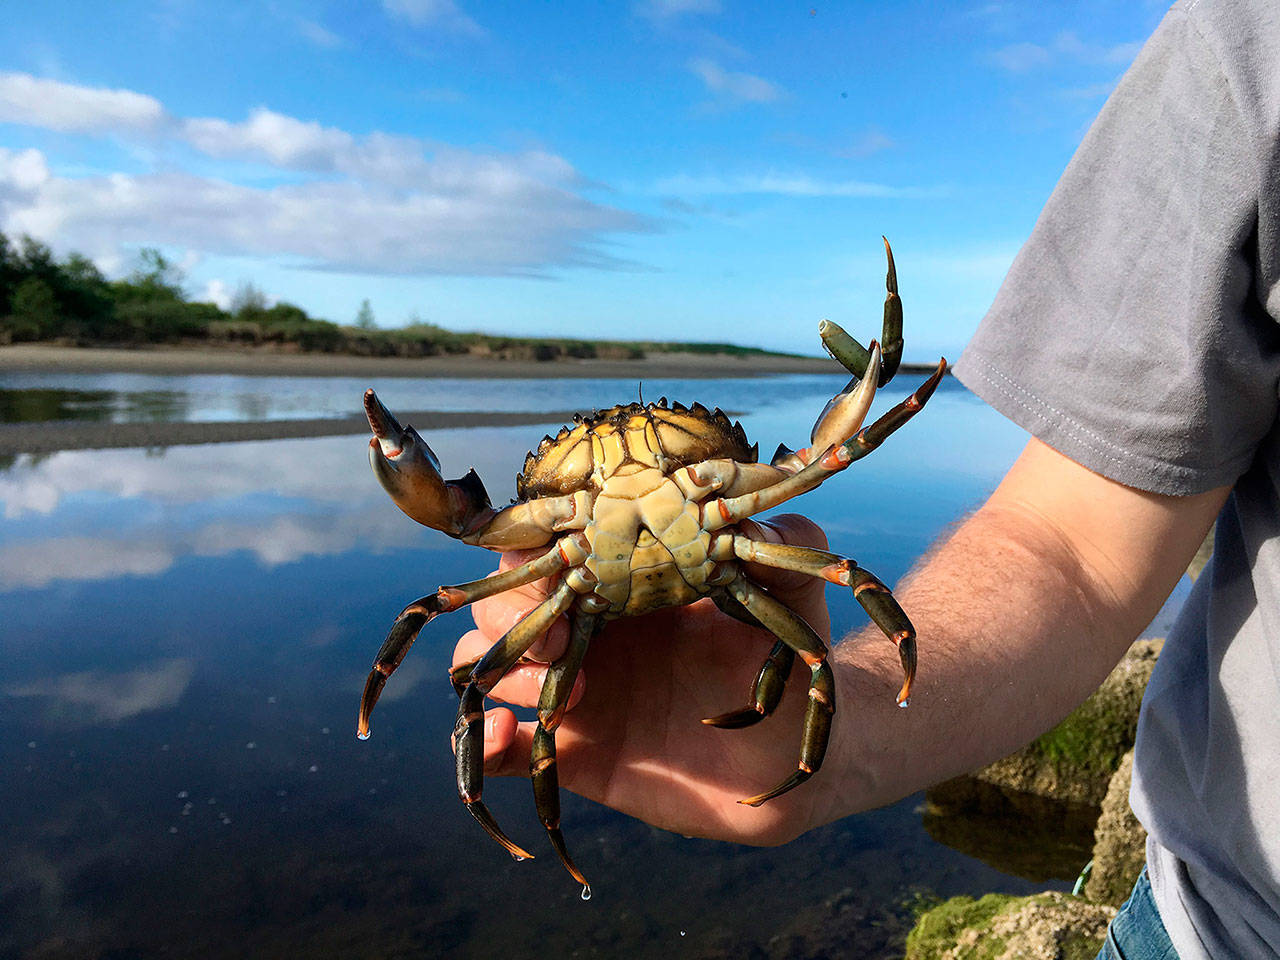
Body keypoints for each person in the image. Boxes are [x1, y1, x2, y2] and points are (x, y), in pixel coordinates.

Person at [453, 1, 1280, 956]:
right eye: (601, 445)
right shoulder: (1249, 41)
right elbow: (1078, 552)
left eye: (659, 436)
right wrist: (845, 745)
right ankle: (541, 825)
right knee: (501, 680)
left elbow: (844, 441)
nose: (630, 455)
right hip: (1220, 931)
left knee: (826, 601)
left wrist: (886, 375)